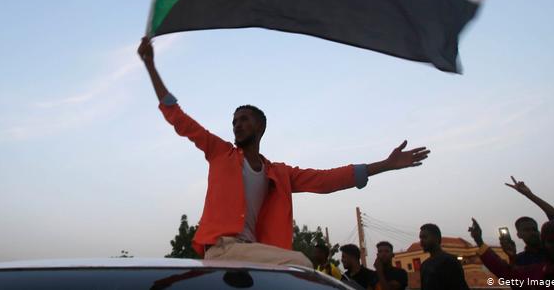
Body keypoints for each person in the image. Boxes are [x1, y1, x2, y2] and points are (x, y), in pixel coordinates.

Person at [138, 37, 430, 267]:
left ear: (260, 128)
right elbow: (178, 117)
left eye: (244, 120)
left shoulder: (279, 174)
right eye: (234, 121)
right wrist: (151, 65)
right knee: (300, 264)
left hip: (254, 255)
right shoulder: (220, 153)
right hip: (223, 250)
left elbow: (327, 180)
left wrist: (385, 165)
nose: (237, 125)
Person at [501, 176, 554, 266]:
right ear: (519, 235)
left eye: (534, 229)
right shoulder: (520, 259)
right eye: (527, 230)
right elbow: (514, 278)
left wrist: (529, 194)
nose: (532, 232)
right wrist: (512, 257)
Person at [418, 223, 469, 290]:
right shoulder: (424, 265)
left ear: (437, 238)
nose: (421, 242)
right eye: (420, 238)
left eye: (424, 237)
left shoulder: (450, 261)